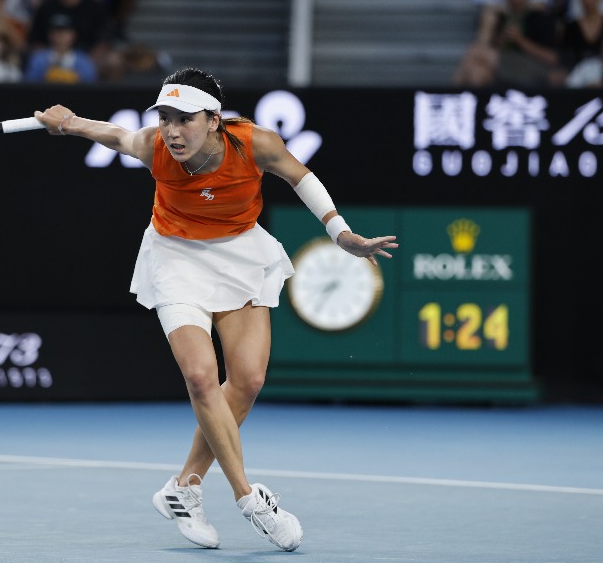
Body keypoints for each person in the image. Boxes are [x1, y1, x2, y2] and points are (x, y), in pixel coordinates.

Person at [33, 67, 398, 552]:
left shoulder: (254, 143)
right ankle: (249, 498)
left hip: (240, 253)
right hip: (175, 259)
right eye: (165, 118)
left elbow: (301, 177)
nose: (172, 131)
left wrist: (340, 233)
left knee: (246, 381)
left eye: (184, 119)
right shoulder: (155, 147)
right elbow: (117, 135)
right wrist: (70, 123)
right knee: (201, 377)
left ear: (213, 119)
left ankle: (184, 487)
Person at [454, 0, 558, 87]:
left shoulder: (539, 19)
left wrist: (520, 40)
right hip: (504, 65)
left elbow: (551, 58)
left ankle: (452, 93)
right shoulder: (504, 18)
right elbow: (494, 47)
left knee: (475, 51)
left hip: (530, 65)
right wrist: (502, 37)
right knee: (477, 73)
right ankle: (457, 95)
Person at [24, 12, 97, 82]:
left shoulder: (84, 61)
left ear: (74, 34)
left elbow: (91, 85)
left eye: (65, 32)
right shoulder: (38, 59)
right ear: (49, 34)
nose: (60, 36)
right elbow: (30, 84)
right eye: (56, 31)